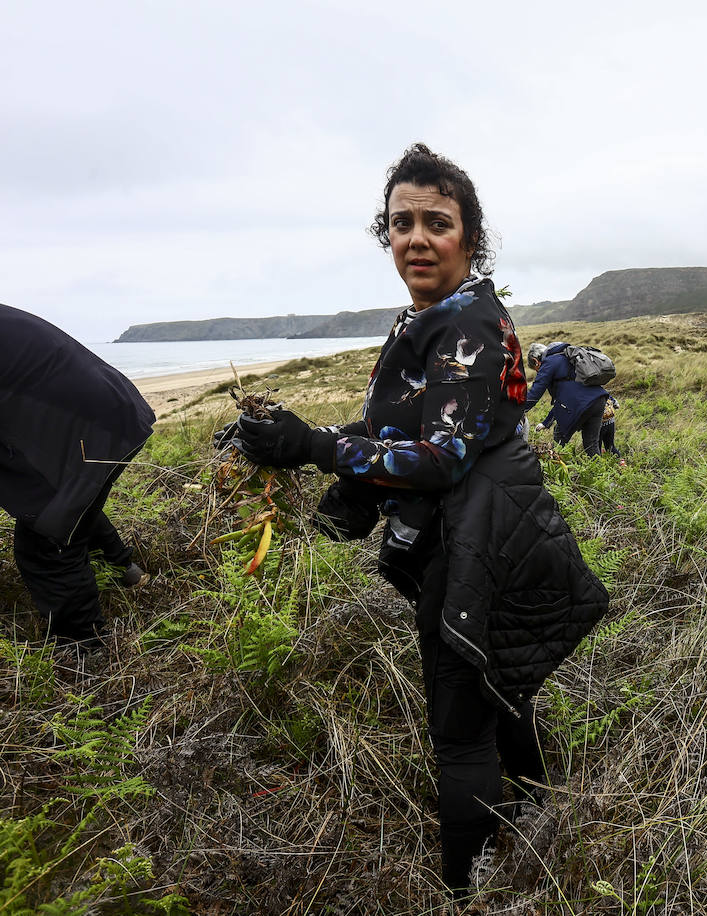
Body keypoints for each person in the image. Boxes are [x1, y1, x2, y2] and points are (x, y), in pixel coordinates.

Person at [225, 143, 609, 896]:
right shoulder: (435, 317)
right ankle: (536, 819)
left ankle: (463, 891)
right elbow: (403, 431)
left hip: (471, 541)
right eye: (402, 223)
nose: (416, 238)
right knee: (500, 687)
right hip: (481, 528)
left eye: (438, 222)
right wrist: (302, 454)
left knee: (459, 728)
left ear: (469, 237)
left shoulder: (464, 327)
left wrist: (311, 445)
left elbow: (440, 458)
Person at [0, 305, 153, 647]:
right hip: (113, 409)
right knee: (69, 504)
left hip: (87, 428)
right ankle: (129, 572)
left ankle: (87, 652)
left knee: (47, 542)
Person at [523, 342, 609, 456]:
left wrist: (519, 410)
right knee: (591, 443)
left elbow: (535, 393)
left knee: (559, 437)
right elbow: (564, 398)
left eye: (536, 369)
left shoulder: (548, 362)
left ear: (535, 360)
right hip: (598, 400)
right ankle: (600, 472)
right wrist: (546, 422)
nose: (538, 372)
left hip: (580, 404)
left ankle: (557, 467)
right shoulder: (566, 356)